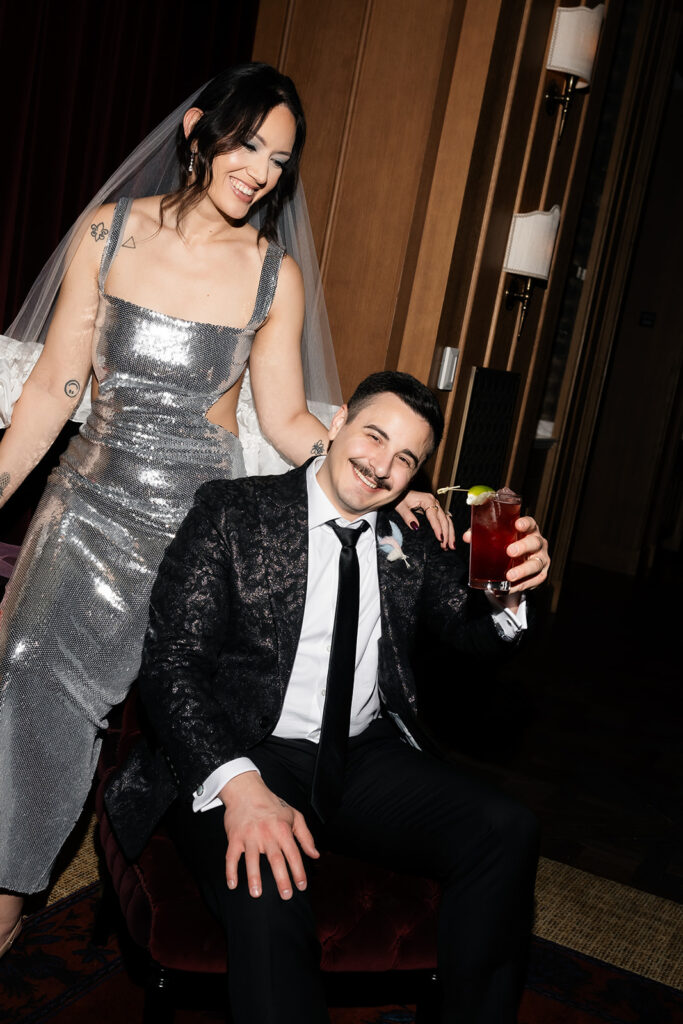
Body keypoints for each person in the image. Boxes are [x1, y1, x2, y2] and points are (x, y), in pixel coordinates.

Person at [0, 64, 450, 953]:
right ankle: (8, 903)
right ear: (198, 132)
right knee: (21, 673)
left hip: (196, 524)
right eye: (248, 145)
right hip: (88, 502)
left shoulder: (270, 276)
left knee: (201, 697)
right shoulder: (110, 232)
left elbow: (284, 419)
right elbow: (55, 387)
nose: (261, 170)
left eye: (279, 159)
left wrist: (379, 472)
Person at [105, 370, 550, 1023]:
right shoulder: (233, 512)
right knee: (268, 883)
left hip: (360, 757)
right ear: (337, 421)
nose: (381, 466)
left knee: (508, 830)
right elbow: (170, 665)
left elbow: (469, 632)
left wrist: (507, 596)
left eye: (405, 458)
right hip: (243, 750)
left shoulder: (406, 535)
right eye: (374, 436)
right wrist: (240, 786)